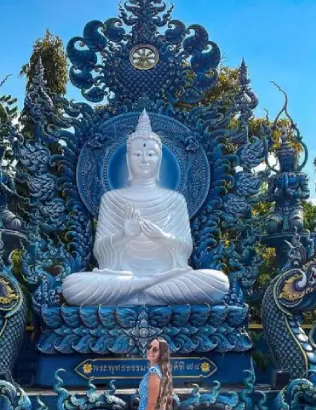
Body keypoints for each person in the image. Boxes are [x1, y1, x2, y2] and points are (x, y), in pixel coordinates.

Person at [61, 110, 229, 306]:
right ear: (127, 159)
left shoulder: (175, 200)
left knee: (218, 282)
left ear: (159, 159)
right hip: (121, 278)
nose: (144, 159)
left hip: (165, 277)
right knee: (72, 286)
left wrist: (162, 237)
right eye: (138, 154)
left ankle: (135, 294)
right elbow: (100, 252)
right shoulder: (111, 199)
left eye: (151, 154)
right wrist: (125, 235)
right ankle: (149, 291)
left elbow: (185, 249)